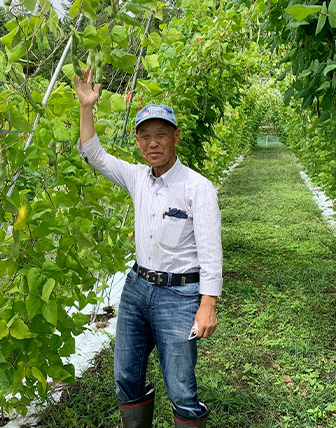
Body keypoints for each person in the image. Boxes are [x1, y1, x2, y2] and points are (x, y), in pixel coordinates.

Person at [73, 67, 222, 428]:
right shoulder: (137, 177)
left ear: (176, 137)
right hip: (138, 289)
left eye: (160, 135)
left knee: (182, 388)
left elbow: (211, 253)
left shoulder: (197, 188)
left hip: (180, 296)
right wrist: (86, 108)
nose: (152, 143)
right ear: (137, 142)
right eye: (144, 137)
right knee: (126, 375)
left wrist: (207, 307)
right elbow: (93, 153)